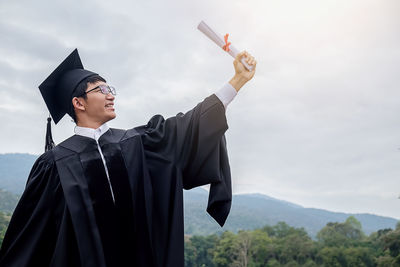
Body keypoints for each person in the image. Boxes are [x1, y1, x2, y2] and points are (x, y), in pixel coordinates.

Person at [0, 48, 256, 267]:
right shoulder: (54, 165)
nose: (111, 95)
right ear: (79, 103)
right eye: (101, 89)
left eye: (111, 88)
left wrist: (237, 80)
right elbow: (30, 240)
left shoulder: (136, 144)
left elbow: (188, 125)